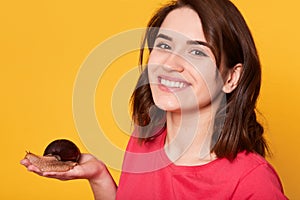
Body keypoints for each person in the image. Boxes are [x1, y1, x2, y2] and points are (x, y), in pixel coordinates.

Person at [21, 0, 288, 199]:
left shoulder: (252, 182)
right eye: (164, 45)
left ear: (231, 77)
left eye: (196, 51)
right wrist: (99, 177)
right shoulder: (143, 142)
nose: (170, 63)